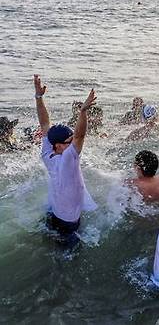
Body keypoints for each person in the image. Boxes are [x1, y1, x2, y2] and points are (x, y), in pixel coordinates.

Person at [33, 75, 98, 246]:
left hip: (53, 214)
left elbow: (45, 124)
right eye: (68, 142)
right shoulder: (68, 158)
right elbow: (80, 135)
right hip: (68, 223)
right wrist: (83, 112)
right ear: (59, 146)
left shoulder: (47, 152)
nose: (72, 144)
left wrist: (39, 97)